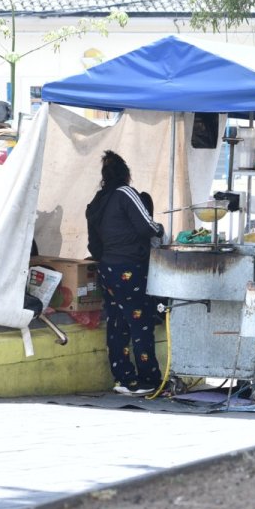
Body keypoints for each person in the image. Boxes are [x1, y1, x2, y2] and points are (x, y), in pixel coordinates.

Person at [85, 151, 166, 396]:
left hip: (107, 268)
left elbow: (93, 241)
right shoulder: (126, 193)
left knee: (117, 323)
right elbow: (147, 226)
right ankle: (148, 380)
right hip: (129, 268)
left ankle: (123, 378)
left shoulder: (99, 199)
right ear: (126, 174)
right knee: (140, 323)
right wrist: (160, 228)